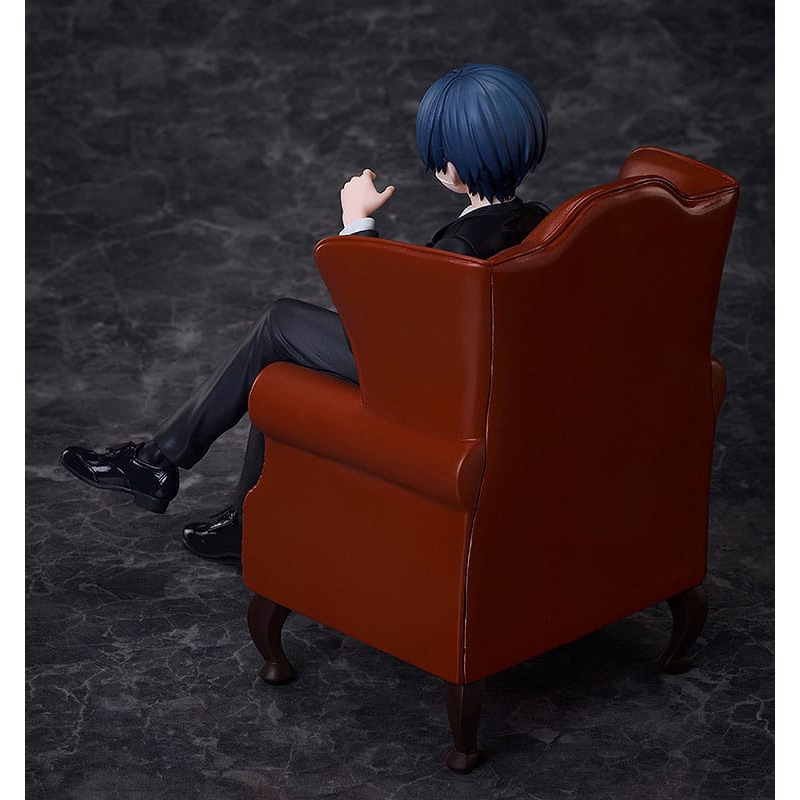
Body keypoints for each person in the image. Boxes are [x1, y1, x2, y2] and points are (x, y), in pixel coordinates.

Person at [60, 63, 551, 560]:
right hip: (482, 378)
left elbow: (378, 324)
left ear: (452, 166)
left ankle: (155, 464)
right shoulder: (540, 221)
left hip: (427, 384)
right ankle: (239, 517)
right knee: (279, 360)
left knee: (279, 323)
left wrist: (356, 223)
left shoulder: (461, 247)